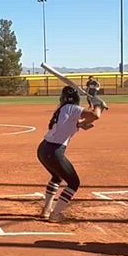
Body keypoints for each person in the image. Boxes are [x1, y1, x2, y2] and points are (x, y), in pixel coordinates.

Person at [36, 86, 102, 223]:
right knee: (73, 183)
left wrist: (85, 120)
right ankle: (55, 214)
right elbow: (95, 115)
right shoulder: (72, 108)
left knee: (57, 176)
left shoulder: (63, 109)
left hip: (43, 149)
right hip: (54, 151)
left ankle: (46, 210)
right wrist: (98, 104)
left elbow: (79, 122)